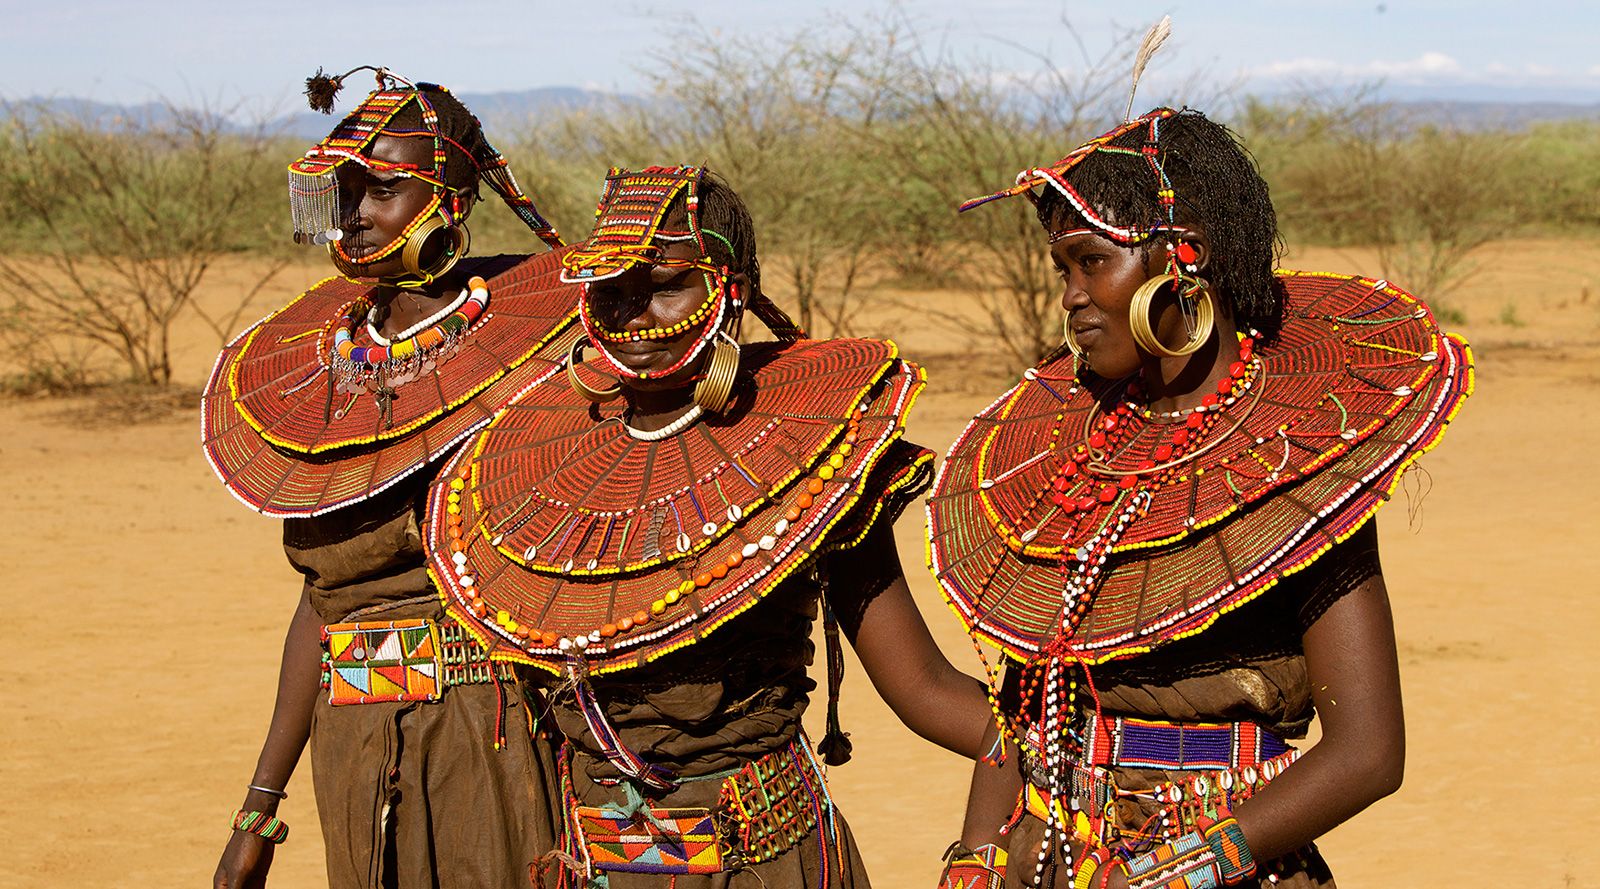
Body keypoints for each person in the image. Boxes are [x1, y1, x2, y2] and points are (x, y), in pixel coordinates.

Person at [926, 107, 1473, 889]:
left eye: (1091, 263)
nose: (1071, 298)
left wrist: (1175, 871)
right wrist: (978, 854)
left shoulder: (1300, 463)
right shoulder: (1072, 454)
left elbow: (1368, 752)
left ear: (1186, 256)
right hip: (1047, 860)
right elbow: (1025, 709)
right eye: (1062, 272)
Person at [424, 165, 995, 887]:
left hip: (762, 867)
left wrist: (1078, 764)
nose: (633, 316)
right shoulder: (534, 471)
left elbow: (926, 690)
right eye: (612, 289)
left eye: (665, 286)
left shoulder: (806, 458)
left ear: (732, 292)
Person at [205, 66, 579, 889]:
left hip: (490, 737)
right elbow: (323, 599)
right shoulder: (320, 365)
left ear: (447, 201)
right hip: (351, 746)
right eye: (344, 192)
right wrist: (257, 811)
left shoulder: (537, 349)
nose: (357, 214)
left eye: (381, 191)